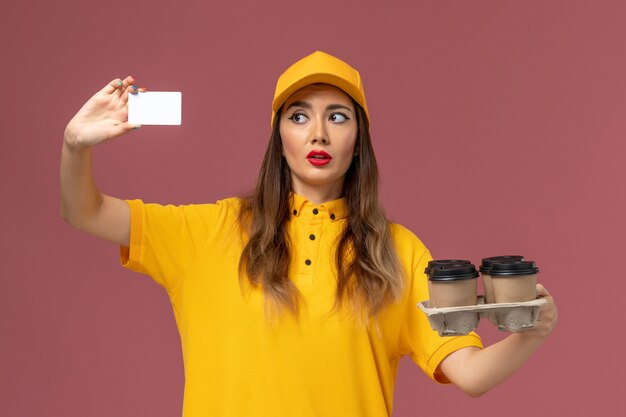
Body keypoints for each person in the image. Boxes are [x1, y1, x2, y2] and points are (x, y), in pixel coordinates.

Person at [61, 51, 557, 417]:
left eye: (336, 117)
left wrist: (531, 331)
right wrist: (74, 147)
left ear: (358, 139)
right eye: (299, 116)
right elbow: (84, 212)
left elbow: (468, 374)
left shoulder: (397, 252)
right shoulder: (211, 230)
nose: (317, 132)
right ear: (279, 138)